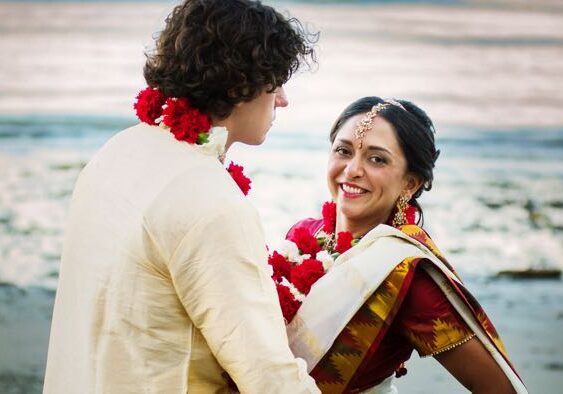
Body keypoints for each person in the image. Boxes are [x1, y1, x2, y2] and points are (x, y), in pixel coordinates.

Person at [43, 1, 320, 393]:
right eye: (275, 81)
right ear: (239, 84)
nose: (283, 99)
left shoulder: (117, 151)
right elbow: (268, 377)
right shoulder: (211, 203)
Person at [274, 97, 528, 393]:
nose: (353, 169)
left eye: (377, 159)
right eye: (343, 151)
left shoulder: (404, 271)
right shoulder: (303, 236)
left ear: (410, 183)